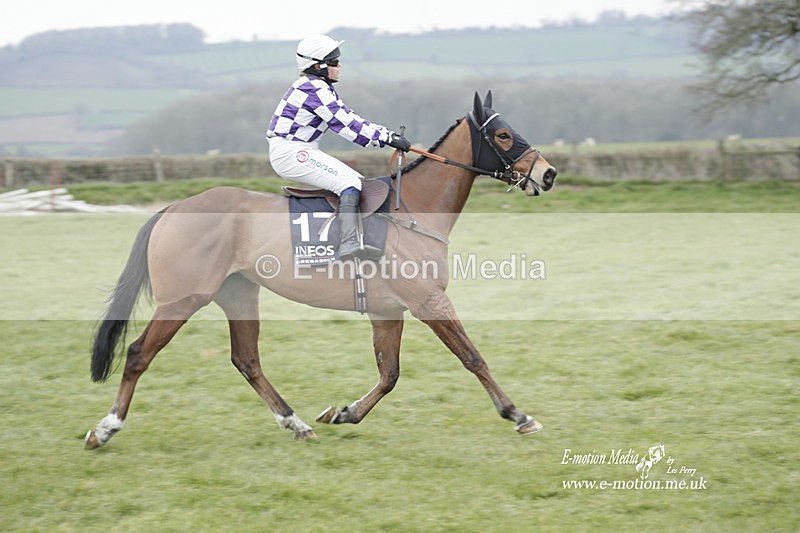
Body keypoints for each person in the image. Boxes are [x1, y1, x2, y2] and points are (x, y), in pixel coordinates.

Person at [267, 34, 411, 261]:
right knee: (349, 183)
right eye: (334, 62)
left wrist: (386, 135)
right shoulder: (314, 89)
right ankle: (348, 244)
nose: (339, 65)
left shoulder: (317, 87)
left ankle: (349, 238)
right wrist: (387, 138)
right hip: (291, 152)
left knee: (358, 181)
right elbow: (347, 125)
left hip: (299, 149)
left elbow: (350, 118)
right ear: (318, 66)